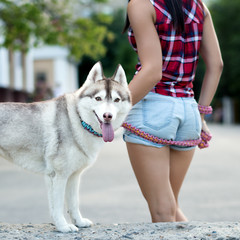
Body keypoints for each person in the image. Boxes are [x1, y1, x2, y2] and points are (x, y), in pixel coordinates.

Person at [122, 0, 223, 222]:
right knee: (170, 206)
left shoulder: (141, 4)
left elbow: (152, 71)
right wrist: (201, 115)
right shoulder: (198, 5)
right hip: (188, 111)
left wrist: (112, 110)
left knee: (162, 211)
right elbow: (216, 65)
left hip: (153, 108)